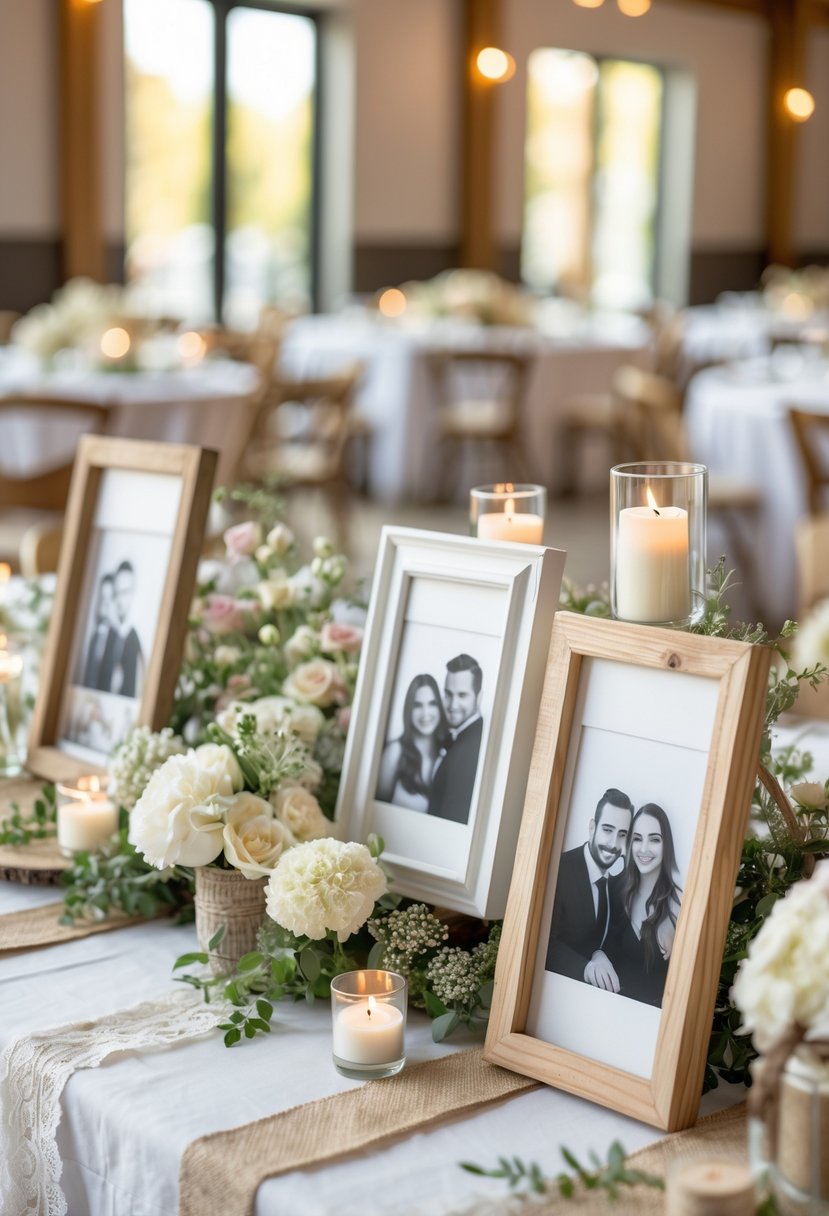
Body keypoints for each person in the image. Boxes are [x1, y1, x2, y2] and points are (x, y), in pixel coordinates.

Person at [545, 788, 633, 984]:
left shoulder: (619, 879)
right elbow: (544, 943)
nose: (613, 844)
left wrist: (600, 953)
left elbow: (614, 933)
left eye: (622, 835)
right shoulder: (558, 870)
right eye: (607, 830)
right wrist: (586, 969)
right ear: (592, 827)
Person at [598, 803, 682, 1008]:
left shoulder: (679, 904)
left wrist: (675, 930)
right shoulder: (616, 888)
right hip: (607, 1009)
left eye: (654, 839)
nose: (643, 849)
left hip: (651, 1022)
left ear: (666, 845)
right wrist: (597, 955)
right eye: (637, 839)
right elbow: (598, 941)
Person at [376, 673, 450, 812]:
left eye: (432, 703)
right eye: (417, 705)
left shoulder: (448, 752)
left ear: (440, 706)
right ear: (409, 709)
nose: (425, 713)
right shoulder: (395, 752)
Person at [427, 653, 483, 824]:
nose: (452, 705)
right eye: (448, 694)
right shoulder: (456, 736)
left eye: (462, 695)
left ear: (479, 696)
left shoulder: (473, 747)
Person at [105, 560, 144, 698]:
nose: (121, 599)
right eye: (118, 592)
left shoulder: (134, 638)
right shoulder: (109, 636)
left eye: (126, 592)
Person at [80, 573, 115, 690]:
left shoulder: (116, 640)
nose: (105, 605)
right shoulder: (93, 637)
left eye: (109, 599)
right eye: (103, 598)